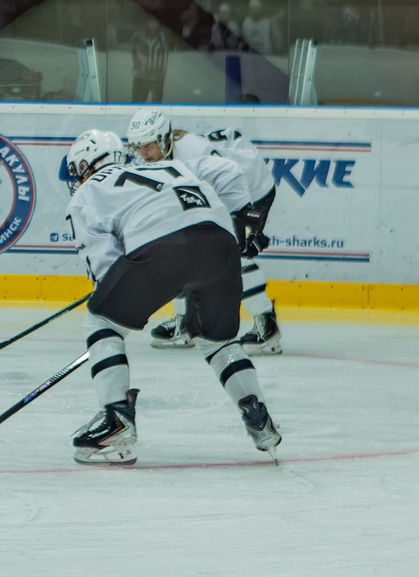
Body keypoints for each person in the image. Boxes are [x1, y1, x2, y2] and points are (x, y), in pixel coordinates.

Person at [60, 129, 281, 464]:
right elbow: (217, 181)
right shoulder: (166, 165)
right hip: (221, 246)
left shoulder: (86, 193)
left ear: (86, 164)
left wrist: (119, 288)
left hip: (160, 248)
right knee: (217, 340)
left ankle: (116, 418)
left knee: (101, 321)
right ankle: (259, 418)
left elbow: (104, 267)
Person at [124, 109, 284, 355]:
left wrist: (243, 219)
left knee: (234, 253)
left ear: (164, 139)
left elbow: (231, 176)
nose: (143, 154)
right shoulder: (149, 160)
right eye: (138, 148)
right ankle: (186, 322)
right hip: (213, 190)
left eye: (148, 147)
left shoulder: (192, 153)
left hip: (249, 189)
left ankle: (267, 326)